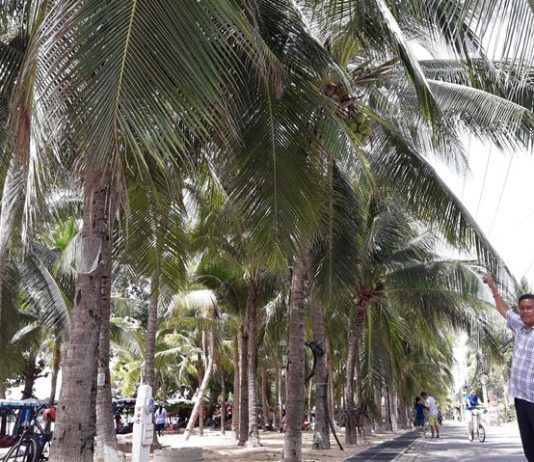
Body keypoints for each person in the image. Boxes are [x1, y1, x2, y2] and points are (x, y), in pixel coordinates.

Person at [484, 274, 534, 461]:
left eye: (529, 308)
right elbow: (504, 310)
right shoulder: (520, 327)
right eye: (522, 308)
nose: (525, 311)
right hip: (521, 398)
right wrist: (493, 288)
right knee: (529, 448)